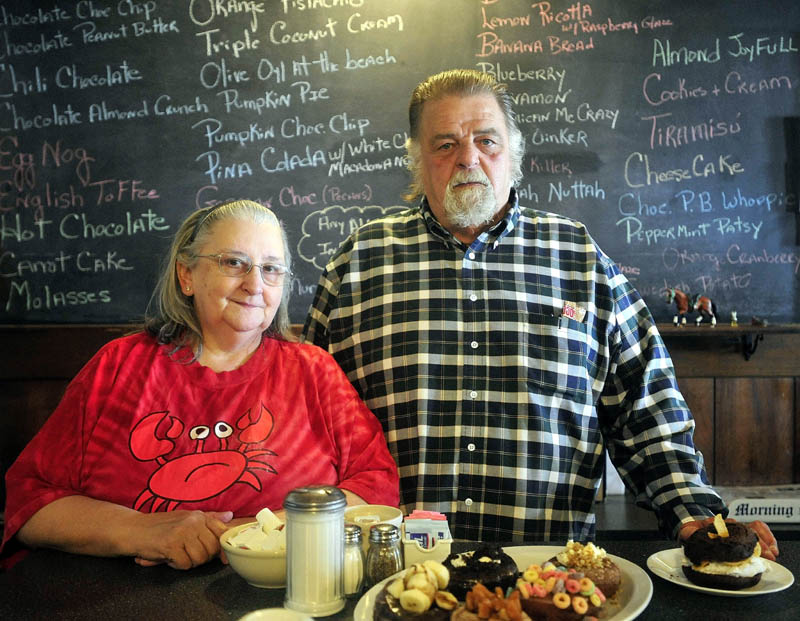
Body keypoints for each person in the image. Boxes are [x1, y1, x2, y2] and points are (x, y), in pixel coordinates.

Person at [302, 69, 779, 559]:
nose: (468, 158)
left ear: (515, 154)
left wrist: (693, 510)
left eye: (487, 140)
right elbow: (303, 418)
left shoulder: (580, 259)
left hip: (550, 582)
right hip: (391, 576)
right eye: (445, 145)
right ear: (417, 162)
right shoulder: (358, 265)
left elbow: (646, 408)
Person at [2, 200, 399, 570]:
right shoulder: (117, 366)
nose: (254, 283)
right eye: (234, 262)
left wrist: (256, 533)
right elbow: (28, 500)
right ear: (186, 274)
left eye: (271, 268)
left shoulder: (315, 371)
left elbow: (376, 485)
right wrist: (140, 531)